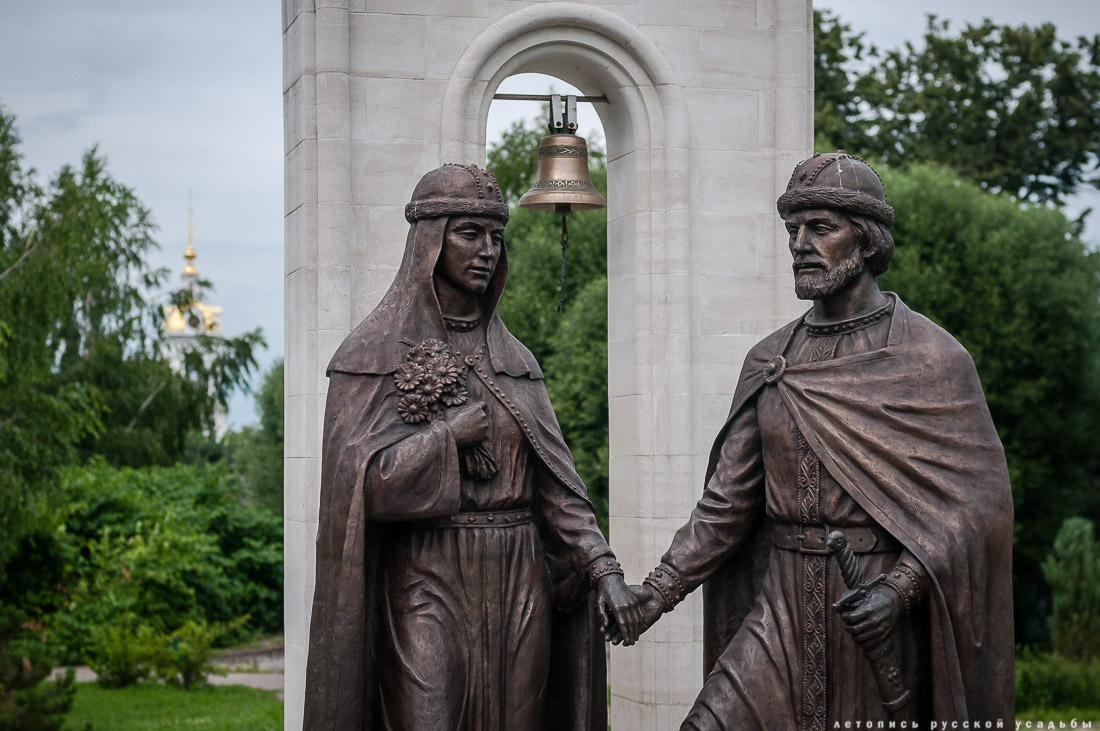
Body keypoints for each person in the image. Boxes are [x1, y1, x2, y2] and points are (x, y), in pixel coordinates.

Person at [619, 153, 1014, 729]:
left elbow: (976, 511)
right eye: (792, 230)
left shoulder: (931, 359)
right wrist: (654, 595)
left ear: (868, 240)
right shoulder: (772, 361)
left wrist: (897, 593)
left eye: (821, 228)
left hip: (873, 612)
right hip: (779, 606)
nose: (800, 244)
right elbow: (727, 505)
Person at [303, 163, 641, 730]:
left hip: (518, 577)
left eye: (496, 237)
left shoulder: (517, 363)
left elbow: (557, 491)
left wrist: (603, 569)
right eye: (469, 233)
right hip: (425, 576)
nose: (487, 250)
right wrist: (446, 438)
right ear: (429, 244)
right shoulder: (369, 355)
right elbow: (360, 490)